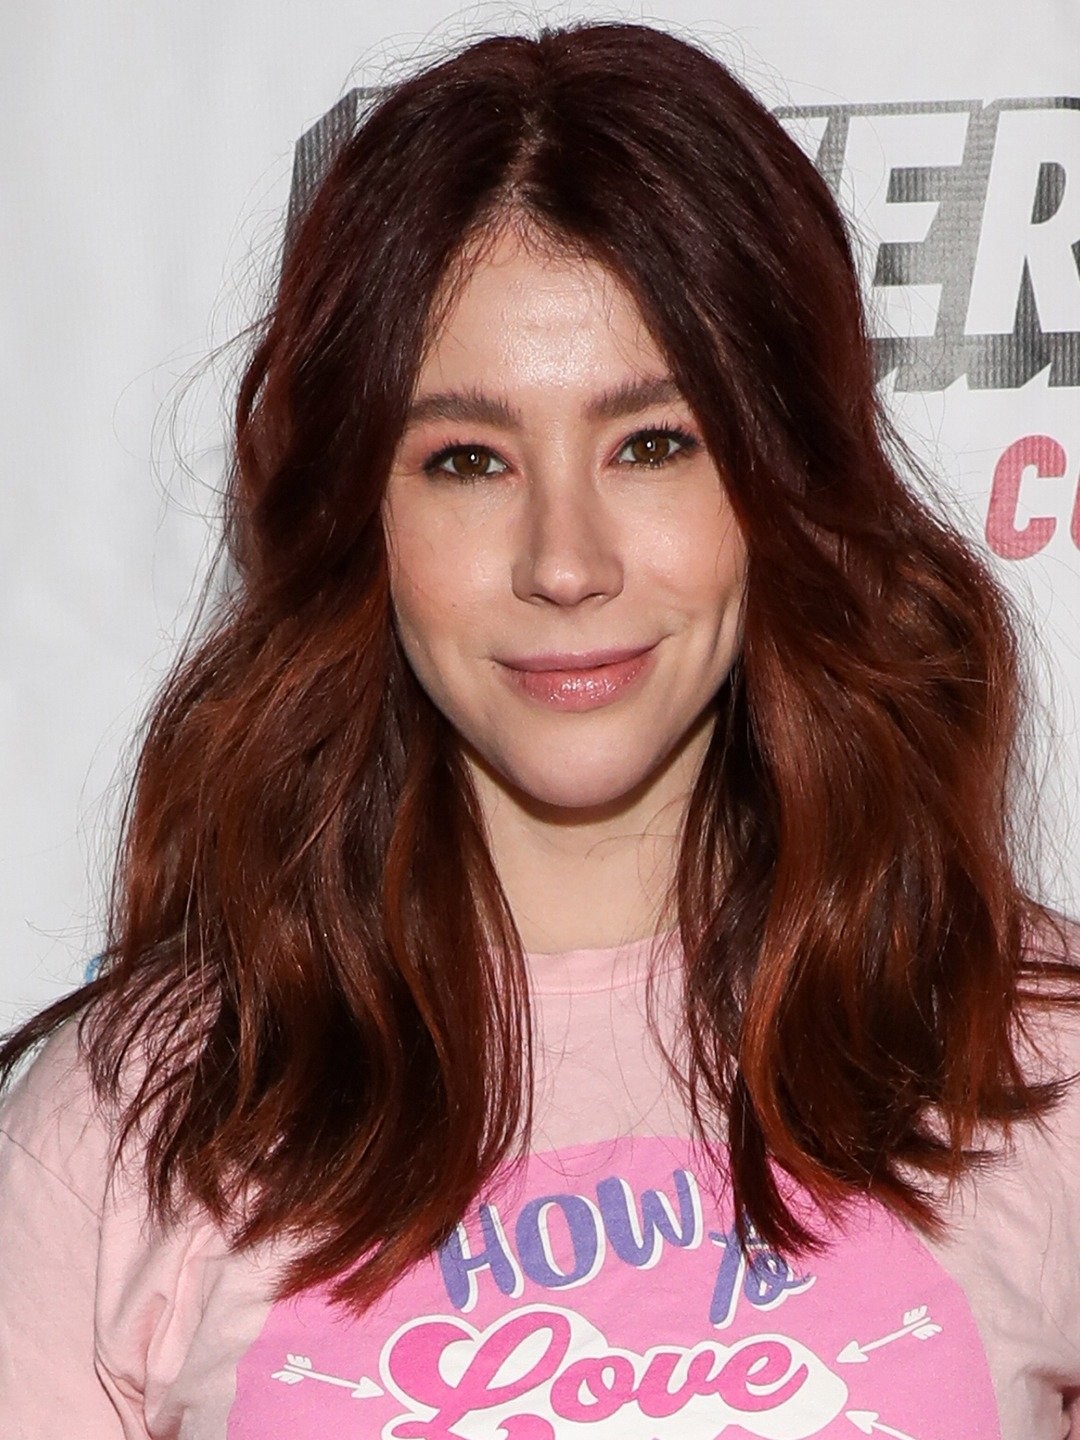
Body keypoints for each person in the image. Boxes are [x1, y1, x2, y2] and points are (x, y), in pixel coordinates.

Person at [1, 17, 1078, 1440]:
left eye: (654, 444)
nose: (565, 562)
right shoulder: (133, 1122)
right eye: (467, 459)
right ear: (361, 516)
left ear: (781, 483)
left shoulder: (1037, 1061)